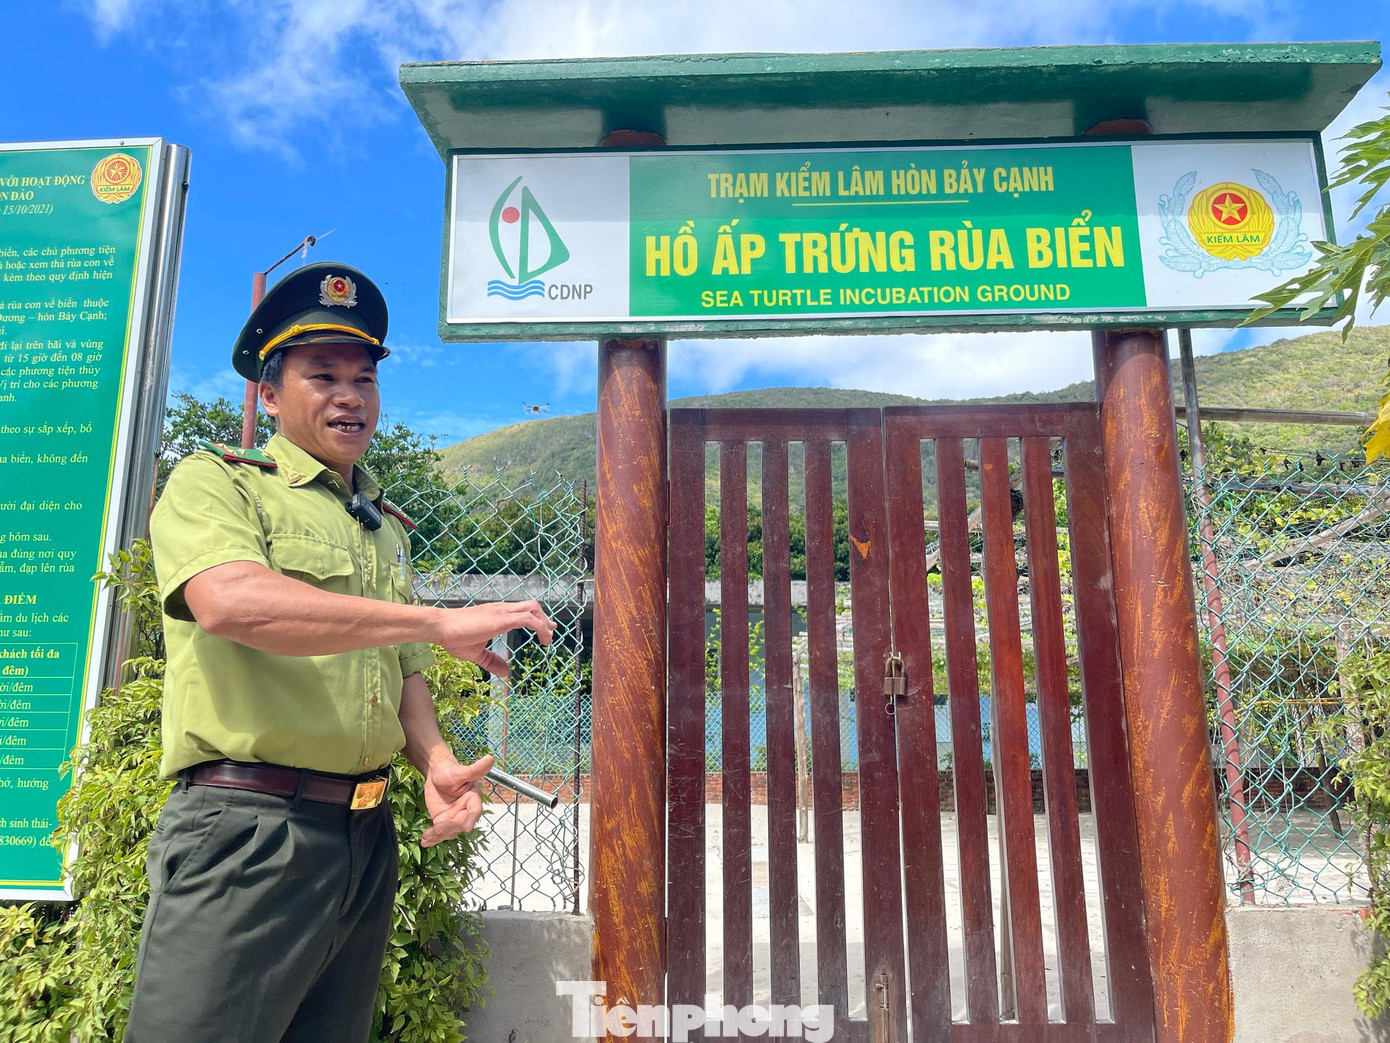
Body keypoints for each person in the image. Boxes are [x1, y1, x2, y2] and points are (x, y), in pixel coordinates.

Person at [124, 262, 554, 1041]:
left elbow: (402, 669)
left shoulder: (381, 524)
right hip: (249, 829)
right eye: (322, 375)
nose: (350, 396)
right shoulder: (220, 483)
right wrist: (432, 620)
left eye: (364, 378)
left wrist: (436, 761)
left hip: (364, 836)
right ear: (269, 394)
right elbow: (231, 602)